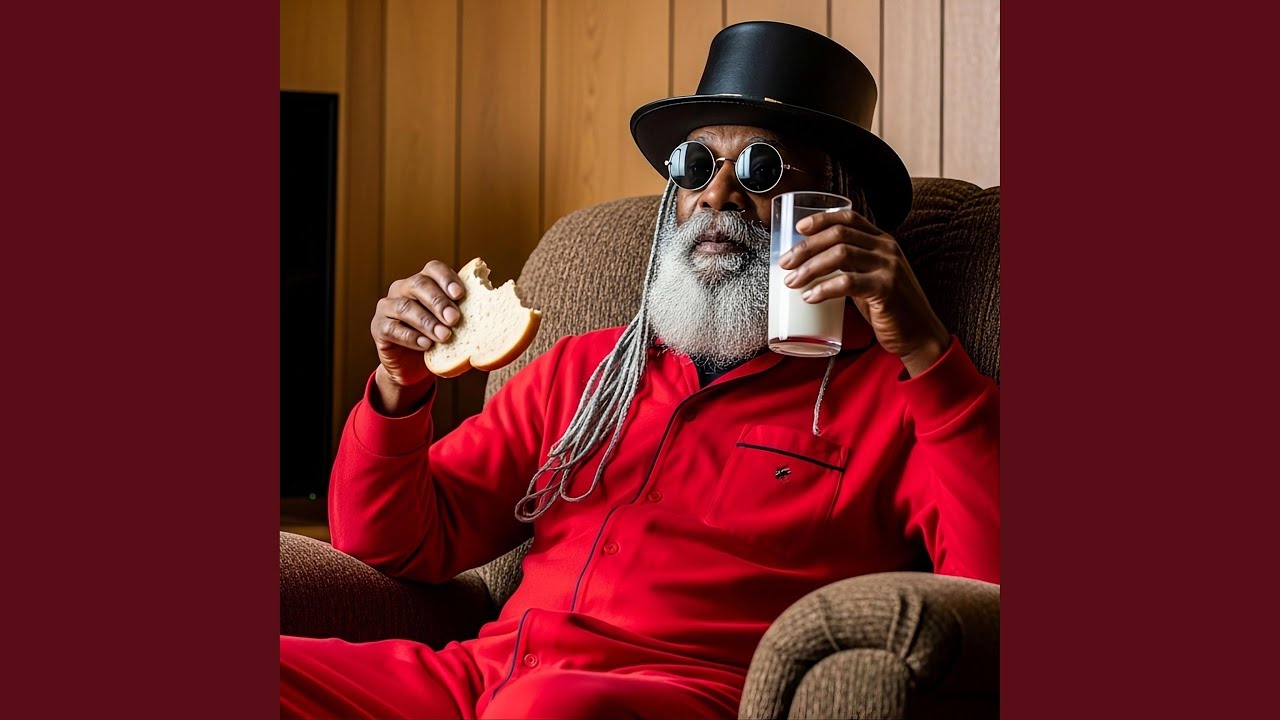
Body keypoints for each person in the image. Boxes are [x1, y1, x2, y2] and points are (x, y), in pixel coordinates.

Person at [281, 21, 998, 719]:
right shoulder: (585, 372)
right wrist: (399, 389)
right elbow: (389, 541)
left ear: (838, 208)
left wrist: (928, 352)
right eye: (694, 167)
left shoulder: (903, 396)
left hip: (675, 693)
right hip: (478, 680)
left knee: (550, 707)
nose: (717, 196)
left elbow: (990, 594)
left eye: (761, 168)